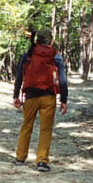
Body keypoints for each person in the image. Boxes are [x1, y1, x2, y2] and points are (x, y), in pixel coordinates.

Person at [13, 29, 68, 172]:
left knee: (26, 126)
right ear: (51, 40)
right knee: (45, 129)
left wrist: (16, 96)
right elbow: (62, 80)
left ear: (37, 40)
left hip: (30, 97)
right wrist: (64, 99)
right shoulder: (55, 55)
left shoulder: (29, 54)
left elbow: (20, 76)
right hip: (48, 97)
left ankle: (20, 157)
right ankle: (42, 162)